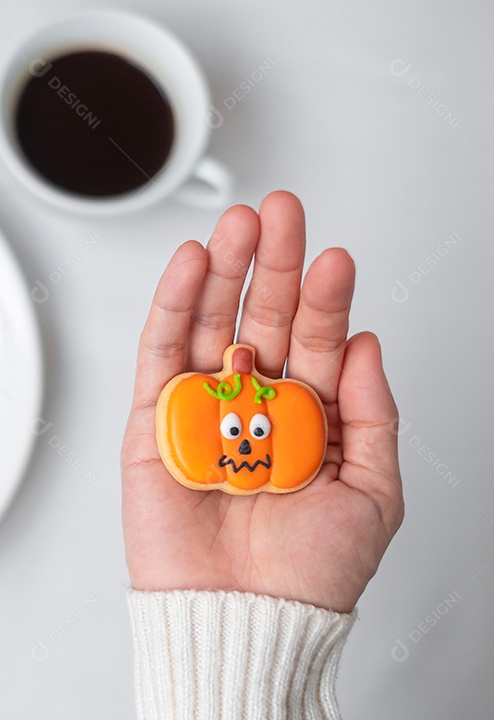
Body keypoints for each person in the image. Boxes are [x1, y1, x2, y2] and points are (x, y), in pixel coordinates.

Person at [122, 191, 404, 718]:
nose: (247, 443)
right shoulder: (193, 413)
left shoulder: (289, 413)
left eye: (251, 430)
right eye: (234, 429)